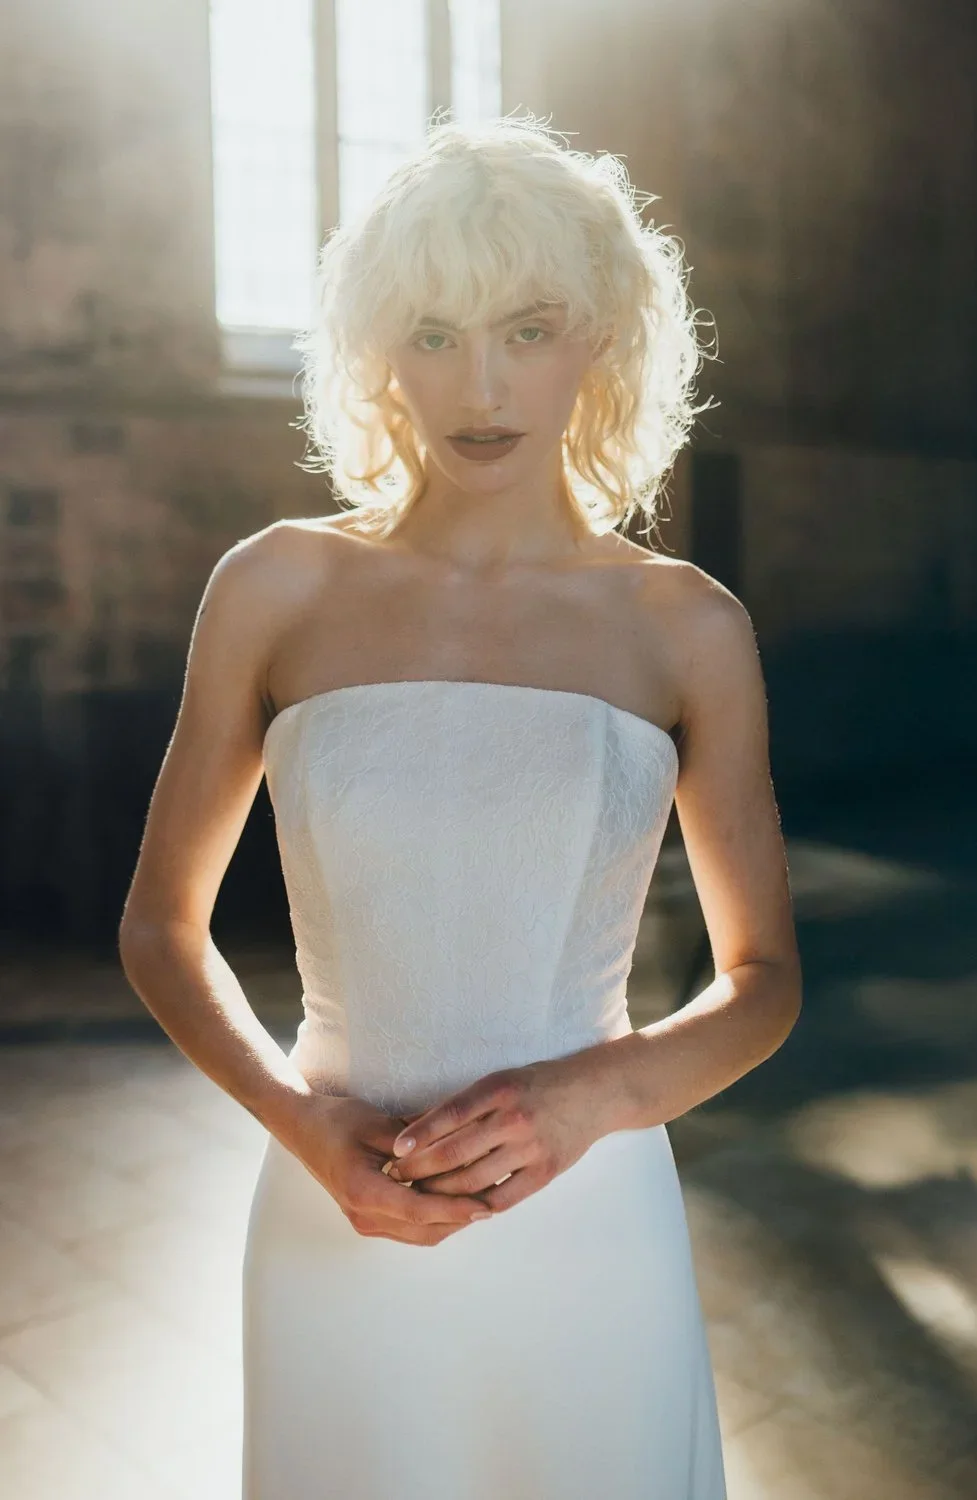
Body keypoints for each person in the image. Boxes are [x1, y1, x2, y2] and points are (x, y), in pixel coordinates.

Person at [119, 112, 801, 1500]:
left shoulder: (688, 629)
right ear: (377, 350)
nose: (480, 380)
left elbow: (765, 979)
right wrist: (301, 1123)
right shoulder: (275, 588)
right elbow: (161, 929)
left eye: (527, 328)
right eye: (432, 334)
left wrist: (593, 1096)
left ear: (601, 335)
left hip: (594, 1219)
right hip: (331, 1211)